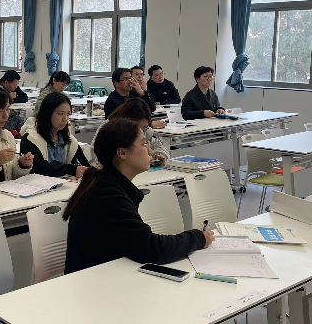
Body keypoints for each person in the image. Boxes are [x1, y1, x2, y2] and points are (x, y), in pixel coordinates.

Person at [63, 118, 214, 275]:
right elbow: (152, 249)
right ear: (122, 153)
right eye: (143, 144)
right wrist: (198, 238)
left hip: (108, 274)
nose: (150, 151)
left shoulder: (106, 183)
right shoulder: (107, 194)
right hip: (93, 281)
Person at [20, 92, 90, 178]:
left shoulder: (69, 140)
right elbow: (39, 167)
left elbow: (86, 165)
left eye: (68, 114)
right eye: (60, 113)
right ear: (48, 113)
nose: (65, 119)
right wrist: (71, 170)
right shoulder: (31, 139)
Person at [91, 98, 169, 166]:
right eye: (136, 127)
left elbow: (160, 148)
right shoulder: (108, 130)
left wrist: (158, 156)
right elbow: (98, 157)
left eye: (144, 127)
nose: (141, 131)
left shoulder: (146, 132)